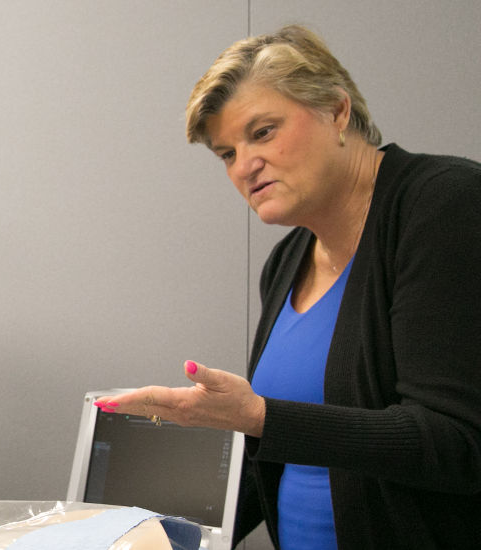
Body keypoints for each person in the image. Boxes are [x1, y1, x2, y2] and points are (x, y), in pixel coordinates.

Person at [94, 25, 481, 549]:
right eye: (226, 153)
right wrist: (160, 538)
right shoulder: (287, 261)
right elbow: (280, 456)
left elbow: (456, 443)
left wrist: (259, 416)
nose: (245, 166)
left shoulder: (445, 206)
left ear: (337, 112)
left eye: (263, 132)